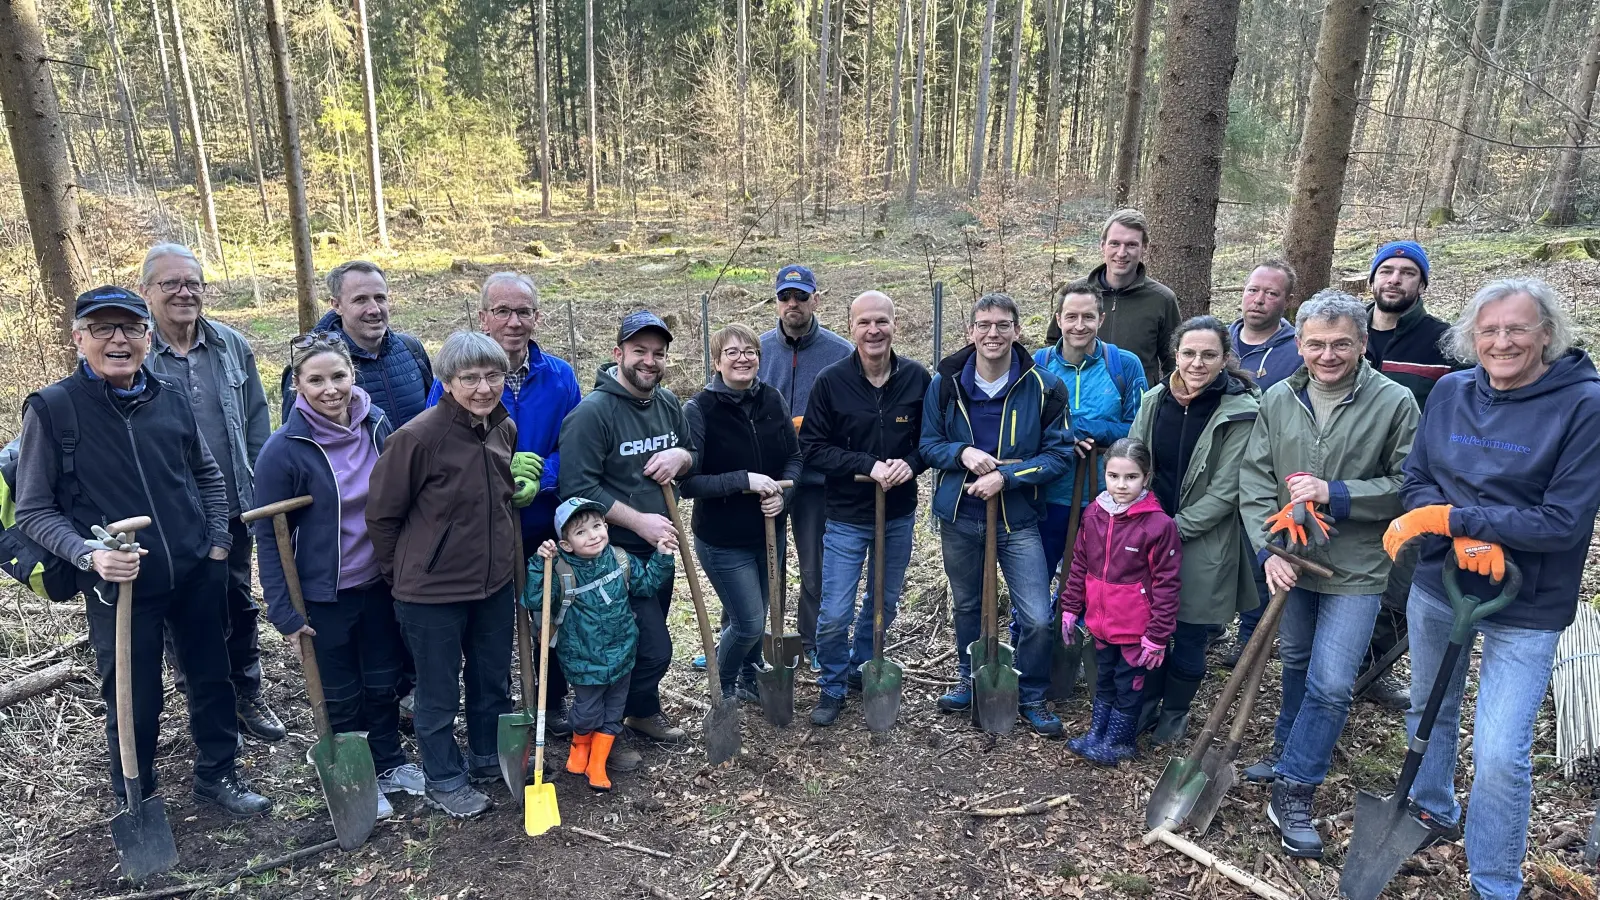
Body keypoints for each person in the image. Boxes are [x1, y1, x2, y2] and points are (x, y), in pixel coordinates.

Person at [13, 286, 271, 815]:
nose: (118, 340)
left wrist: (218, 543)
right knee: (134, 696)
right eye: (103, 329)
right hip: (119, 584)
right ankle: (137, 793)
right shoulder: (54, 409)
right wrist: (90, 555)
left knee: (212, 678)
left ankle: (218, 775)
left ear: (146, 336)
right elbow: (33, 510)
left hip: (196, 570)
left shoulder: (169, 398)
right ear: (78, 337)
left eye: (130, 328)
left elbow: (206, 472)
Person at [1383, 277, 1600, 900]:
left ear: (1547, 335)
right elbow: (1418, 479)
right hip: (1441, 583)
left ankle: (1495, 881)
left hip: (1525, 601)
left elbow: (1564, 520)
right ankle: (1431, 807)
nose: (1501, 341)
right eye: (1489, 330)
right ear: (1470, 337)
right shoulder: (1450, 392)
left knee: (1502, 751)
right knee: (1430, 708)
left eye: (1516, 329)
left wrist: (1458, 522)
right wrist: (1452, 534)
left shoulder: (1583, 405)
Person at [1238, 290, 1420, 859]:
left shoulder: (1395, 402)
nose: (1327, 355)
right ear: (1301, 344)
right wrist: (1267, 549)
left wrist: (1336, 493)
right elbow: (1255, 475)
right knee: (1296, 662)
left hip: (1357, 567)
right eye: (1315, 344)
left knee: (1333, 681)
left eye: (1341, 343)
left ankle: (1296, 788)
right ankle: (1288, 748)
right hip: (1289, 559)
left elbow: (1410, 484)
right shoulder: (1278, 397)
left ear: (1363, 343)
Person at [252, 333, 420, 819]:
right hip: (325, 594)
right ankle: (358, 774)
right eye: (316, 380)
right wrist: (283, 610)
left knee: (384, 682)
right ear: (298, 386)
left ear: (354, 375)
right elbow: (269, 535)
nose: (331, 389)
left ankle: (390, 762)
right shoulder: (284, 450)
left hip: (380, 583)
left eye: (339, 376)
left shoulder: (377, 425)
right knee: (342, 694)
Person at [366, 331, 523, 819]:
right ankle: (444, 777)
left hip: (493, 584)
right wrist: (406, 576)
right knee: (436, 691)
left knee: (491, 679)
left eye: (493, 375)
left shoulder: (502, 428)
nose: (483, 388)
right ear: (447, 382)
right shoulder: (417, 438)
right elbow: (383, 516)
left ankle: (483, 759)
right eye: (470, 378)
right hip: (431, 593)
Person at [136, 244, 284, 744]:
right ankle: (207, 703)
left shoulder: (230, 345)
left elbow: (257, 418)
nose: (184, 292)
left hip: (234, 506)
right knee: (186, 613)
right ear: (147, 293)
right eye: (171, 283)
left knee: (238, 602)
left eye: (193, 282)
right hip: (167, 512)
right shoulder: (135, 350)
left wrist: (263, 485)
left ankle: (247, 694)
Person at [427, 272, 582, 730]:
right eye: (502, 311)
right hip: (480, 525)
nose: (514, 322)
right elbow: (442, 441)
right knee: (492, 623)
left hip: (542, 519)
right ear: (483, 317)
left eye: (524, 311)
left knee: (550, 608)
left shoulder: (559, 377)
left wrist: (541, 475)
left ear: (537, 317)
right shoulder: (458, 377)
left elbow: (573, 444)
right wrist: (497, 480)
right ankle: (491, 714)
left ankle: (548, 702)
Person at [920, 293, 1072, 736]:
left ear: (1017, 331)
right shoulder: (945, 384)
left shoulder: (1043, 386)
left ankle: (1031, 694)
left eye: (1003, 325)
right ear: (970, 332)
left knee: (1038, 616)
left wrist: (1008, 478)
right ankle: (971, 681)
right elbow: (928, 445)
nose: (993, 333)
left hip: (1018, 519)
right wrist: (962, 452)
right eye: (984, 325)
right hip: (960, 516)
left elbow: (1059, 455)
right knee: (968, 604)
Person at [558, 311, 697, 767]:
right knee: (648, 649)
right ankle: (601, 730)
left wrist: (681, 456)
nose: (649, 361)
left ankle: (640, 713)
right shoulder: (592, 414)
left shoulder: (668, 403)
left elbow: (692, 455)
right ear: (618, 353)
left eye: (658, 353)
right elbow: (579, 490)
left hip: (660, 548)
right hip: (611, 558)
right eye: (639, 351)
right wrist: (639, 523)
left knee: (644, 641)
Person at [798, 291, 931, 727]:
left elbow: (929, 443)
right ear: (851, 327)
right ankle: (832, 683)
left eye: (882, 321)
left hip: (897, 514)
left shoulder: (917, 379)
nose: (873, 330)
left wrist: (908, 466)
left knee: (883, 603)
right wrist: (867, 465)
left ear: (895, 324)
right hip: (846, 516)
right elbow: (813, 447)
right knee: (835, 610)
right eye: (864, 323)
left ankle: (861, 667)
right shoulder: (831, 382)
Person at [1129, 316, 1260, 745]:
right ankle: (1145, 703)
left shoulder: (1240, 411)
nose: (1197, 363)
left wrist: (1172, 529)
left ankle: (1175, 712)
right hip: (1148, 531)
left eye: (1208, 355)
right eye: (1189, 353)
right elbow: (1135, 461)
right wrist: (1139, 518)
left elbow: (1228, 490)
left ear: (1225, 359)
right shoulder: (1154, 400)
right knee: (1146, 623)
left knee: (1187, 630)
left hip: (1205, 539)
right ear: (1175, 355)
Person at [1358, 241, 1467, 711]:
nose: (1395, 280)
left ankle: (1370, 671)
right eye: (1387, 271)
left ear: (1422, 283)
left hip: (1414, 484)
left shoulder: (1444, 343)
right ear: (1373, 279)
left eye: (1407, 273)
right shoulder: (1346, 330)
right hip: (1347, 481)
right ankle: (1333, 666)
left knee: (1399, 583)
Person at [681, 325, 802, 702]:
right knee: (748, 623)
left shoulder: (772, 399)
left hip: (769, 531)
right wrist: (743, 480)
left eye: (749, 351)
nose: (742, 358)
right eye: (731, 352)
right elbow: (689, 484)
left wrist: (784, 494)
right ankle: (725, 681)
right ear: (716, 362)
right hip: (722, 539)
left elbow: (794, 459)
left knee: (758, 614)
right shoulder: (699, 409)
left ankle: (750, 676)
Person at [524, 499, 678, 792]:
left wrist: (662, 557)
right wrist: (538, 565)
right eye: (581, 532)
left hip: (623, 654)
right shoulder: (561, 570)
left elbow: (645, 586)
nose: (593, 535)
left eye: (597, 526)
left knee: (613, 712)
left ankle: (597, 764)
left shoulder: (620, 559)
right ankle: (580, 745)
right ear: (566, 544)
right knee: (586, 711)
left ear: (606, 527)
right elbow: (535, 600)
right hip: (583, 660)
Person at [1059, 438, 1180, 765]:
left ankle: (1120, 741)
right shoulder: (1095, 513)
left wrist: (1157, 635)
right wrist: (1071, 607)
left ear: (1146, 477)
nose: (1121, 485)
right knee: (1105, 677)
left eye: (1131, 477)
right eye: (1113, 476)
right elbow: (1079, 564)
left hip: (1136, 629)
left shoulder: (1159, 526)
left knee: (1129, 685)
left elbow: (1168, 585)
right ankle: (1098, 734)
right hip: (1101, 623)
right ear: (1105, 473)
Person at [759, 264, 853, 674]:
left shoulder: (840, 352)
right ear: (776, 301)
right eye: (785, 297)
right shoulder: (757, 349)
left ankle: (812, 642)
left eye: (800, 296)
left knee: (815, 566)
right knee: (762, 561)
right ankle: (747, 639)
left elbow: (853, 415)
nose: (792, 304)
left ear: (816, 298)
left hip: (817, 479)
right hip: (768, 479)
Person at [1033, 278, 1147, 586]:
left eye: (1088, 317)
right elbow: (1024, 433)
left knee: (1095, 585)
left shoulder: (1124, 365)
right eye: (1071, 317)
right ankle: (1031, 635)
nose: (1079, 325)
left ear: (1101, 319)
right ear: (1058, 319)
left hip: (1106, 499)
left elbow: (1137, 430)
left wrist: (1084, 427)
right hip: (1046, 496)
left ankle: (1081, 633)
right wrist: (1063, 435)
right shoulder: (1037, 367)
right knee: (1034, 588)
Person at [1224, 260, 1300, 667]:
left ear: (1286, 301)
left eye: (1271, 293)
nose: (1260, 299)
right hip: (1219, 465)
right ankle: (1211, 623)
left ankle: (1251, 637)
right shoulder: (1222, 339)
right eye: (1254, 289)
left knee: (1260, 552)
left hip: (1269, 472)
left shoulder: (1296, 350)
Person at [279, 260, 434, 427]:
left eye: (380, 298)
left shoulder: (411, 350)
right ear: (337, 305)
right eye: (361, 300)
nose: (374, 309)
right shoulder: (311, 367)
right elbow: (296, 442)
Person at [1049, 209, 1180, 386]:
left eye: (1131, 245)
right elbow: (1052, 344)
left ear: (1144, 248)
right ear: (1102, 245)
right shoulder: (1077, 293)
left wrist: (1161, 399)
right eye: (1114, 244)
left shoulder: (1162, 299)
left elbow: (1174, 360)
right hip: (1081, 400)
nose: (1121, 253)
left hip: (1137, 405)